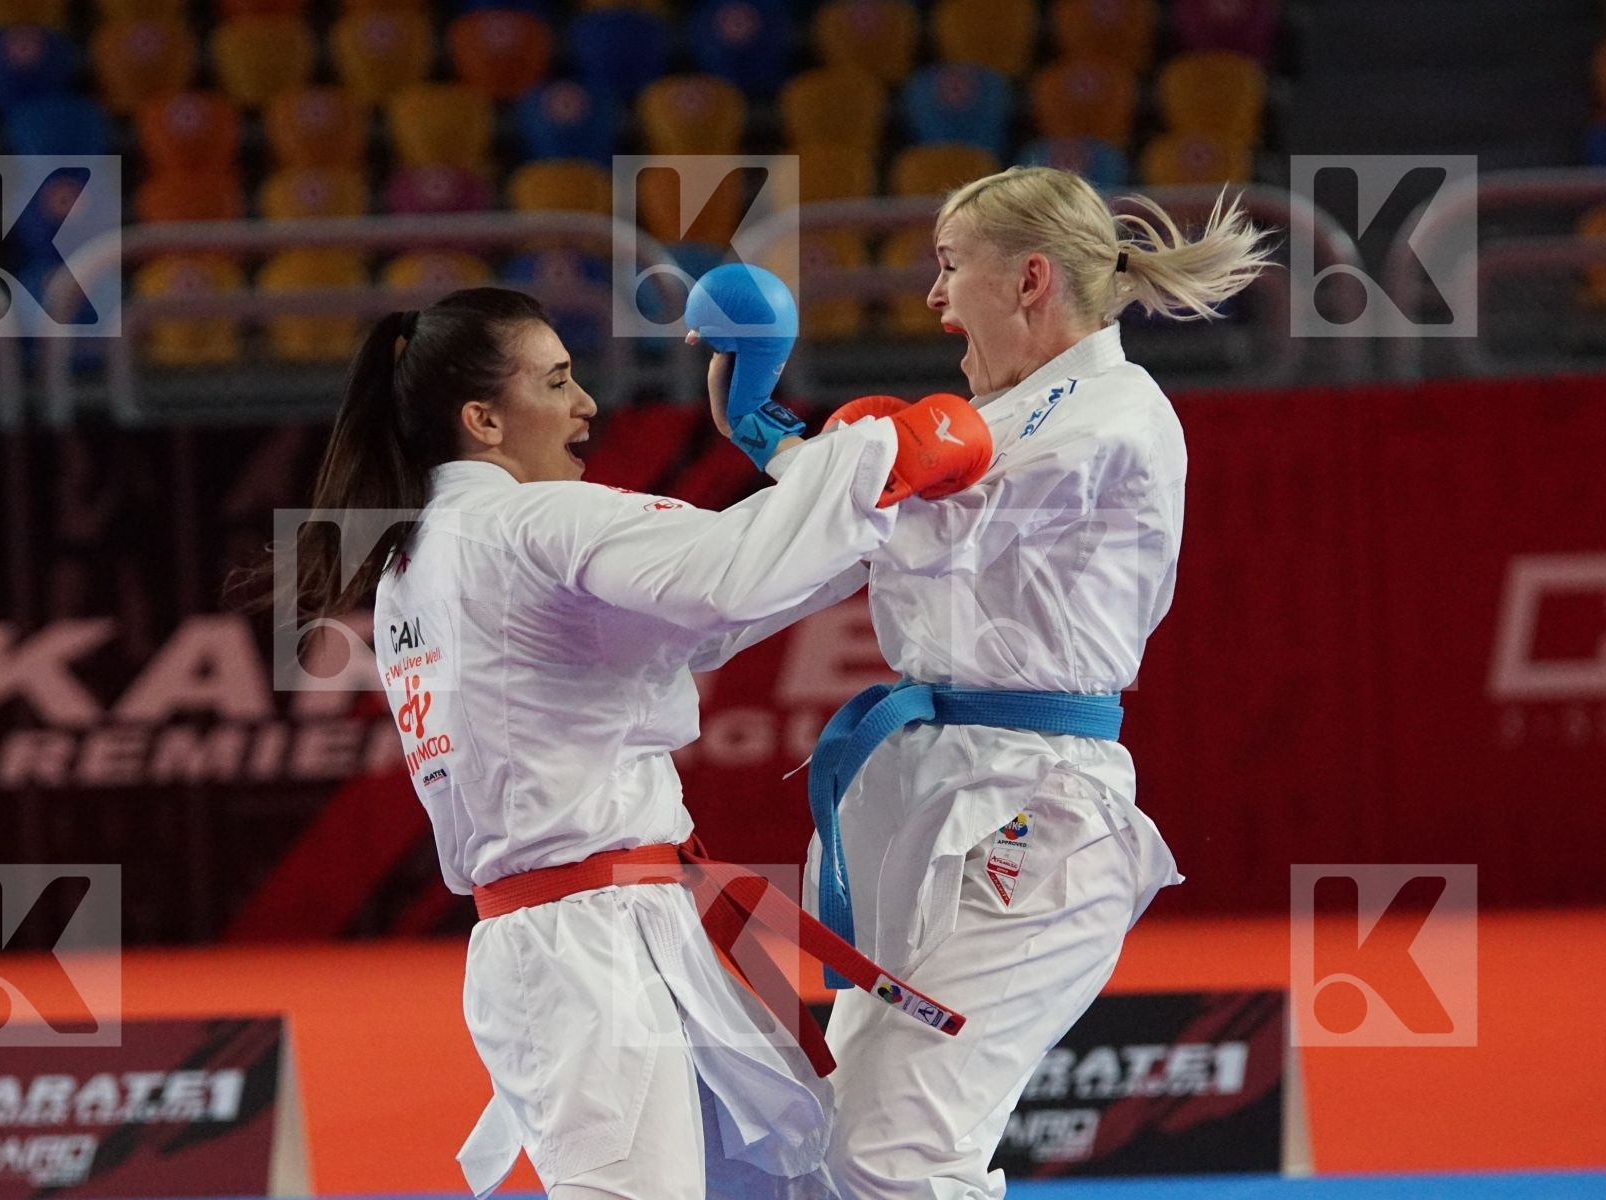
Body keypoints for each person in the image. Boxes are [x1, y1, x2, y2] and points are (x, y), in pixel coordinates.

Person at [281, 284, 990, 1200]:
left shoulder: (424, 557)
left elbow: (716, 612)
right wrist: (875, 453)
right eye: (558, 382)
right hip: (585, 940)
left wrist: (836, 480)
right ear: (483, 420)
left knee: (782, 1183)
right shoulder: (527, 524)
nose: (586, 406)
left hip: (612, 926)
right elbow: (734, 574)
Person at [731, 169, 1271, 1198]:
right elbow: (843, 543)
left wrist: (787, 446)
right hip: (926, 800)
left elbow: (924, 522)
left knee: (895, 1157)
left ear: (1028, 278)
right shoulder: (1008, 415)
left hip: (1038, 816)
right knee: (823, 1152)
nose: (933, 299)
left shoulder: (1110, 413)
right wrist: (785, 457)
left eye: (947, 265)